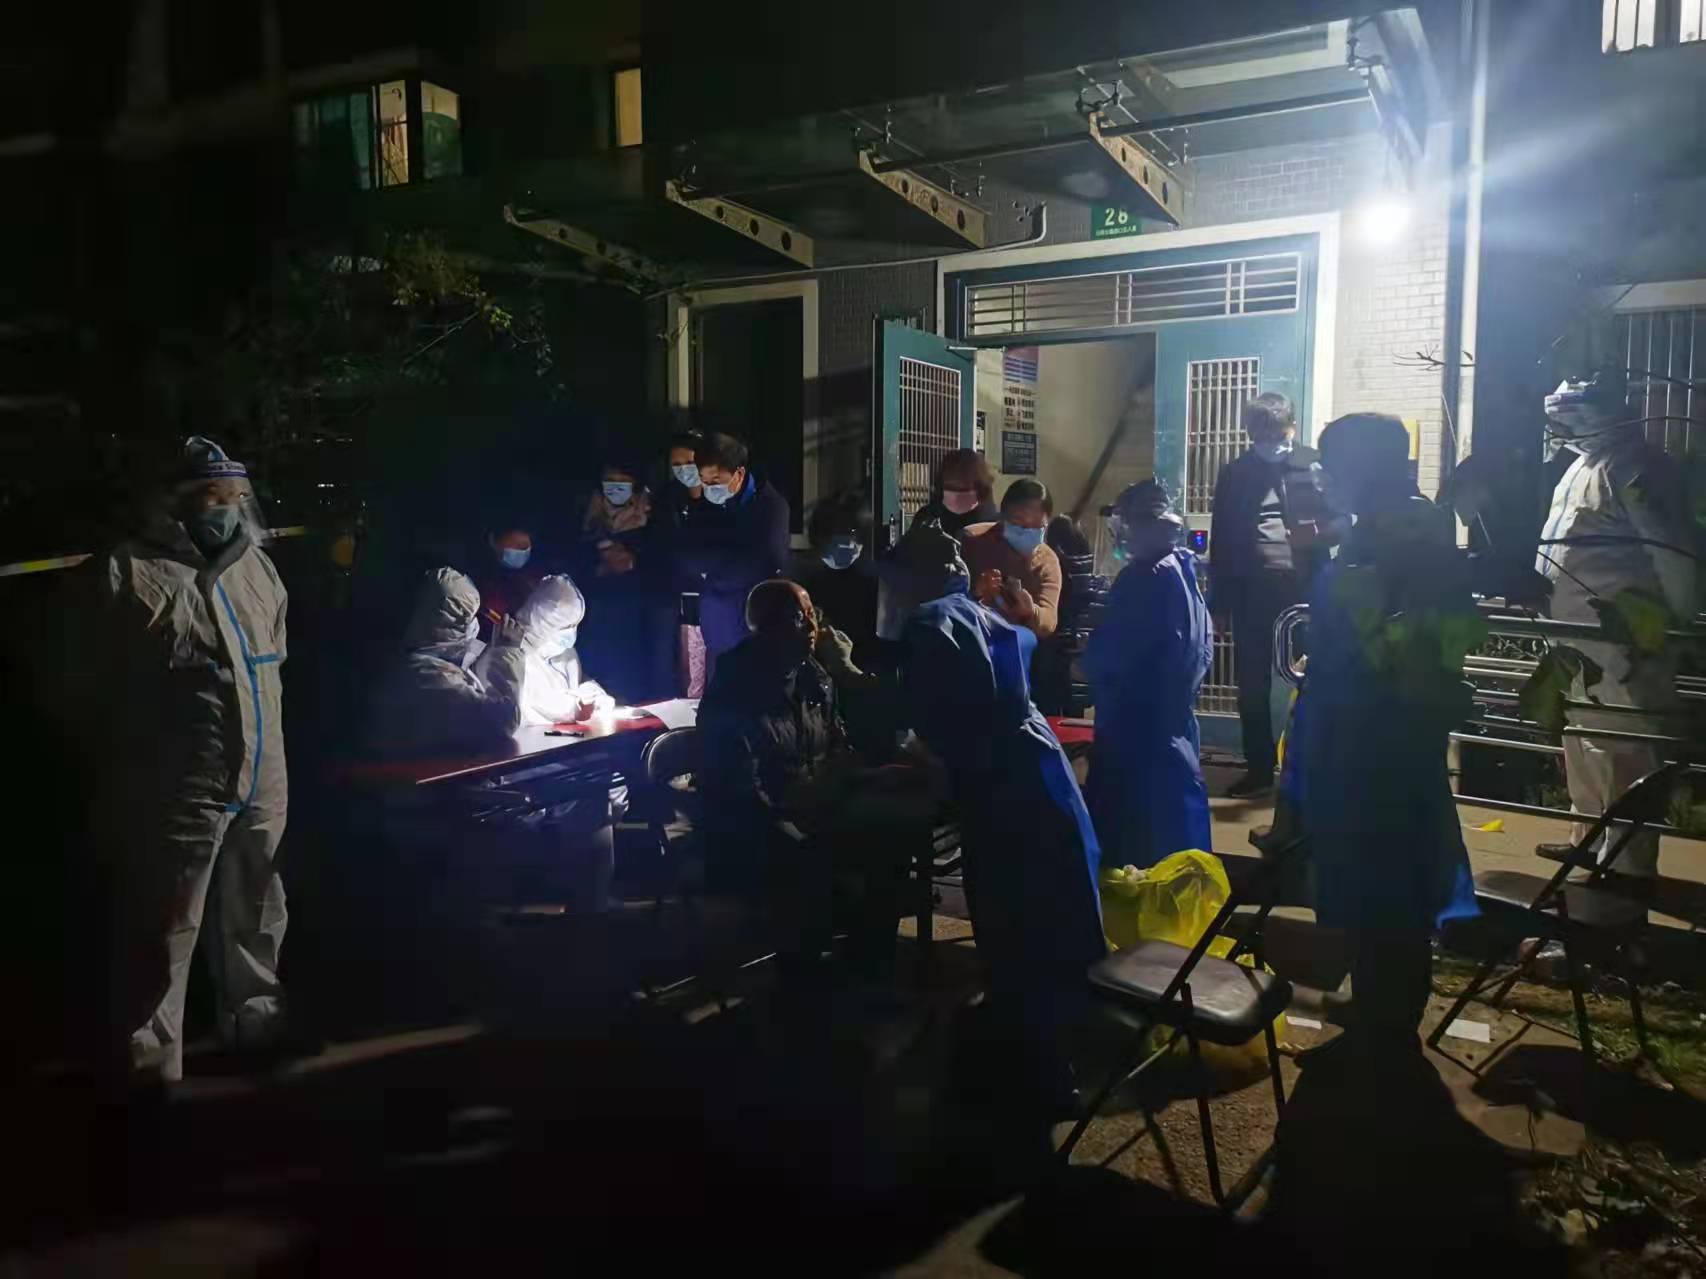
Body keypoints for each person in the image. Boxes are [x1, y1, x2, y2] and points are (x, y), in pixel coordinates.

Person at [93, 436, 292, 1082]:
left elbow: (273, 667)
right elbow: (93, 680)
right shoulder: (130, 571)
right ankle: (151, 1066)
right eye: (213, 496)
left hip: (262, 770)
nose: (228, 508)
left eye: (236, 496)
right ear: (176, 501)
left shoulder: (257, 569)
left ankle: (256, 1025)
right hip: (181, 778)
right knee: (167, 924)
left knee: (257, 906)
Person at [896, 523, 1104, 1114]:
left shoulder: (931, 622)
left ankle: (1037, 1078)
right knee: (1058, 908)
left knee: (1016, 918)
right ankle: (1067, 1047)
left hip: (1000, 781)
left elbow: (937, 713)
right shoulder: (979, 612)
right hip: (1037, 760)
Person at [1290, 413, 1479, 1055]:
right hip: (1364, 728)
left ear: (1362, 468)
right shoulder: (1385, 527)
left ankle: (1388, 1020)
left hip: (1379, 735)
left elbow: (1400, 639)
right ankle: (1379, 997)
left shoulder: (1406, 533)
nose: (1327, 480)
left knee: (1385, 870)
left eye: (1334, 467)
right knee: (1369, 868)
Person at [698, 579, 915, 983]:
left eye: (813, 615)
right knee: (812, 863)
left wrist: (868, 776)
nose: (813, 627)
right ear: (765, 627)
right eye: (799, 618)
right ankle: (804, 976)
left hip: (816, 806)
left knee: (894, 831)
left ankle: (867, 968)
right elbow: (738, 787)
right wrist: (799, 824)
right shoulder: (736, 691)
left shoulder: (815, 677)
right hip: (761, 822)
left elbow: (837, 749)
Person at [1534, 370, 1696, 879]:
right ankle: (1586, 840)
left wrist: (1674, 623)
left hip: (1624, 639)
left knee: (1626, 751)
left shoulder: (1639, 467)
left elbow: (1673, 552)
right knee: (1583, 741)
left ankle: (1626, 867)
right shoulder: (1581, 465)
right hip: (1576, 638)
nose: (1565, 426)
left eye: (1574, 414)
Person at [1209, 392, 1338, 798]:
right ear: (1251, 434)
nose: (1271, 443)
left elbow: (1341, 521)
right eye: (1262, 436)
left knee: (1316, 676)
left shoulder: (1313, 465)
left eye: (1278, 435)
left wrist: (1317, 534)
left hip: (1304, 590)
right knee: (1251, 684)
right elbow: (1221, 538)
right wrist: (1219, 604)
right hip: (1250, 591)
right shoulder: (1235, 474)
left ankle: (1315, 768)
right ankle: (1260, 770)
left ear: (1292, 428)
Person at [1083, 480, 1214, 867]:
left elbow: (1117, 655)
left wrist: (1084, 659)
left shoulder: (1143, 579)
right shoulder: (1182, 569)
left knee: (1133, 852)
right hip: (1172, 728)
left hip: (1135, 732)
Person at [369, 567, 529, 756]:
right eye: (467, 618)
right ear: (448, 625)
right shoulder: (434, 678)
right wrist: (508, 652)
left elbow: (474, 685)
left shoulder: (417, 663)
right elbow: (503, 722)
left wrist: (496, 651)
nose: (474, 625)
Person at [679, 433, 791, 674]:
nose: (709, 488)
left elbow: (766, 560)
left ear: (738, 474)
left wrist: (713, 570)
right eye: (704, 481)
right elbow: (689, 552)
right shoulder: (706, 504)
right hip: (716, 624)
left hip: (754, 623)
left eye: (716, 480)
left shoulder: (770, 507)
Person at [576, 459, 672, 702]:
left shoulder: (649, 519)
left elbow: (659, 564)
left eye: (622, 482)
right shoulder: (590, 519)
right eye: (610, 482)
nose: (615, 487)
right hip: (597, 614)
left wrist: (630, 559)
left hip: (636, 613)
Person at [960, 478, 1064, 640]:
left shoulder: (1046, 561)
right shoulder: (973, 541)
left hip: (1016, 645)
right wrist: (976, 593)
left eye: (1037, 526)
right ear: (1002, 517)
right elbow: (946, 597)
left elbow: (1049, 621)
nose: (1027, 530)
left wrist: (1030, 612)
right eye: (1019, 522)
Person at [661, 430, 709, 696]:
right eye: (677, 465)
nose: (683, 470)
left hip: (716, 593)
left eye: (689, 463)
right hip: (682, 595)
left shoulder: (718, 498)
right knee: (688, 668)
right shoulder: (670, 499)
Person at [471, 525, 544, 642]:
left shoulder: (536, 573)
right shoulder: (476, 574)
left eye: (524, 547)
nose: (521, 551)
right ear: (493, 541)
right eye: (516, 547)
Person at [910, 448, 999, 541]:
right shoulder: (927, 518)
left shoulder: (990, 527)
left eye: (964, 488)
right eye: (950, 486)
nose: (957, 494)